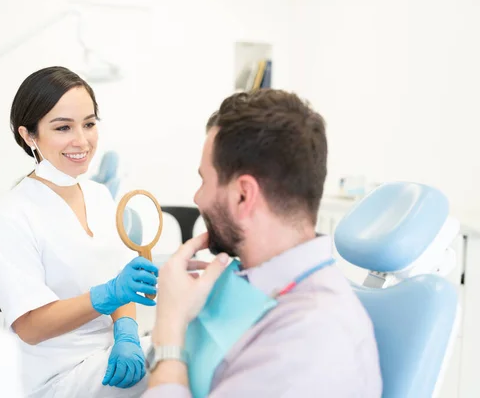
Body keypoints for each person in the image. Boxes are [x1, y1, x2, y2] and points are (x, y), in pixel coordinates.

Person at [142, 89, 383, 397]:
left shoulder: (312, 339)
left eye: (204, 180)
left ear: (243, 195)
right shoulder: (253, 276)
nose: (197, 198)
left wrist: (169, 329)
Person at [0, 66, 157, 398]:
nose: (82, 140)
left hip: (108, 358)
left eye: (89, 124)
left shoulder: (100, 196)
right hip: (55, 378)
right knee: (183, 362)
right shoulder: (10, 218)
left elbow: (123, 283)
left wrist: (127, 332)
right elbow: (30, 327)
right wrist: (108, 294)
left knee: (191, 347)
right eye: (63, 127)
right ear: (29, 135)